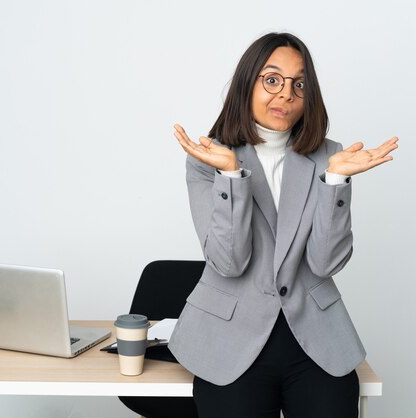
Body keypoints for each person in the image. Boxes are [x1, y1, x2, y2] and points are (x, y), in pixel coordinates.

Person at [168, 32, 398, 418]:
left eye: (299, 84)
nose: (286, 94)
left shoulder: (330, 156)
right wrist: (231, 176)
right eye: (272, 79)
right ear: (248, 83)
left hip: (315, 341)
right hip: (229, 342)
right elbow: (228, 261)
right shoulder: (209, 157)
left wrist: (335, 182)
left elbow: (325, 264)